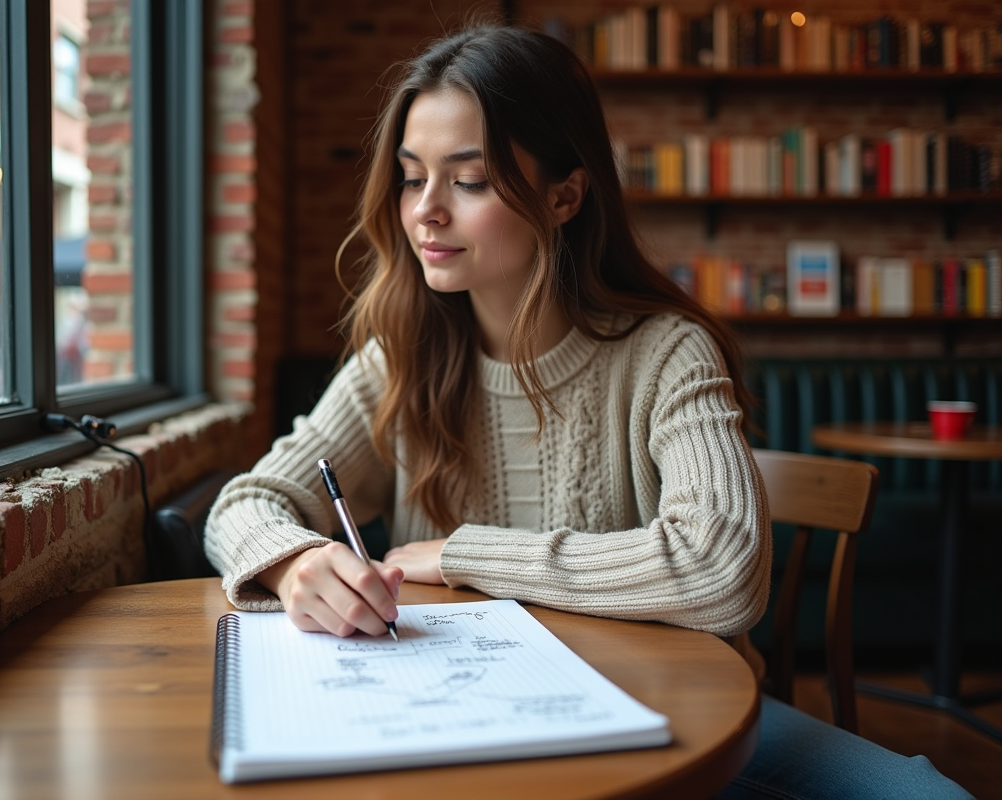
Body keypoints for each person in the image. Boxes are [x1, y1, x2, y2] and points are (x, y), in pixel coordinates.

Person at [204, 22, 972, 800]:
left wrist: (465, 556)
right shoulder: (400, 359)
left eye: (468, 181)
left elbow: (723, 571)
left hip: (680, 713)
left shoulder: (668, 352)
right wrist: (295, 562)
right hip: (471, 714)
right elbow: (245, 504)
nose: (426, 212)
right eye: (411, 177)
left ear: (565, 194)